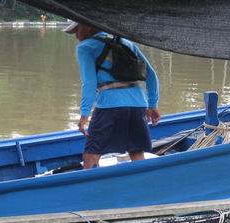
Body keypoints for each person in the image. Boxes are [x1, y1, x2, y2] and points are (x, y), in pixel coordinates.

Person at [67, 22, 160, 169]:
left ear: (90, 26)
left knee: (91, 152)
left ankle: (89, 188)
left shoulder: (85, 47)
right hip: (138, 104)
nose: (76, 35)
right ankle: (141, 184)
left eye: (77, 30)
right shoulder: (126, 42)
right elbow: (152, 75)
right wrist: (153, 104)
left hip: (110, 104)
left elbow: (89, 83)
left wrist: (84, 114)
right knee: (136, 150)